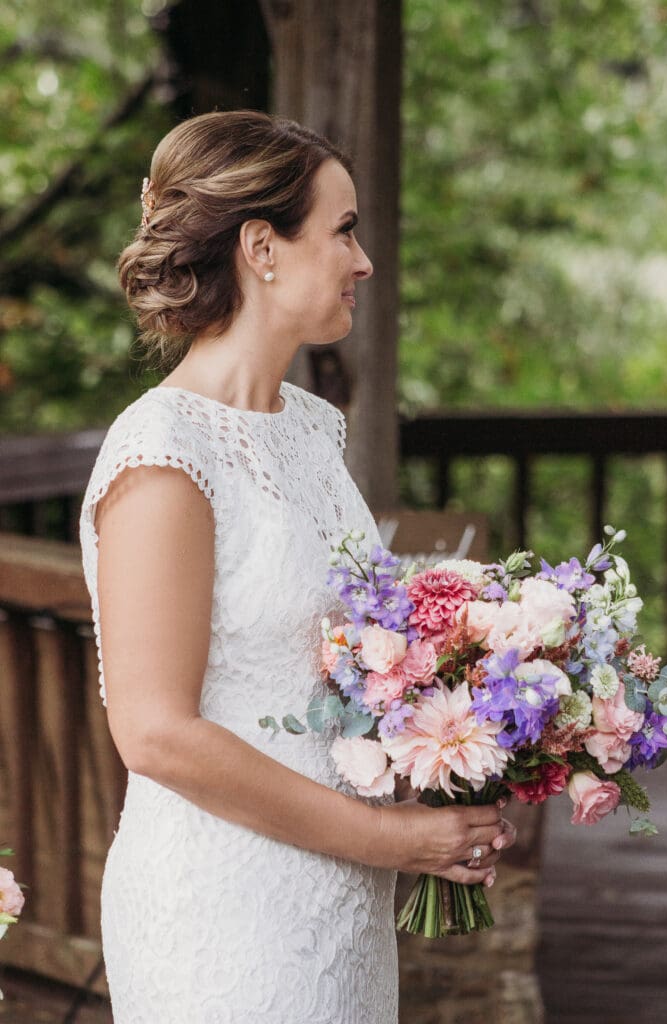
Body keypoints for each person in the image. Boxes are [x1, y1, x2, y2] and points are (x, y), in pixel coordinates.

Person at [79, 110, 517, 1024]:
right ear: (260, 247)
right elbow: (155, 731)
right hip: (223, 911)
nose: (363, 261)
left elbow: (349, 649)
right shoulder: (163, 450)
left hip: (338, 904)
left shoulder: (311, 428)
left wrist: (450, 739)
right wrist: (386, 837)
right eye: (344, 229)